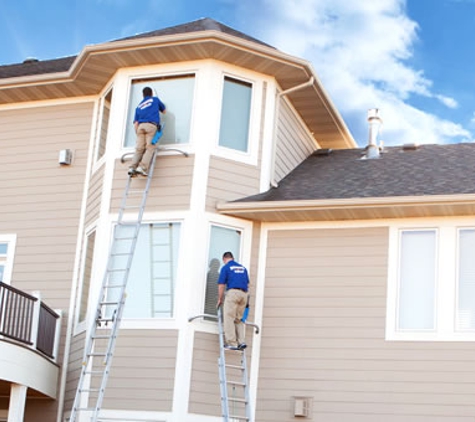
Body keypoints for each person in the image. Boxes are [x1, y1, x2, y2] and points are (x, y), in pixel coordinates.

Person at [128, 86, 166, 177]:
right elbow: (164, 111)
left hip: (140, 127)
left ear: (143, 95)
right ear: (151, 93)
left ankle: (132, 168)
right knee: (150, 147)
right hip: (151, 126)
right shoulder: (155, 100)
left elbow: (135, 123)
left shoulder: (138, 106)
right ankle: (142, 167)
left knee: (139, 149)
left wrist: (137, 134)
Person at [217, 251, 249, 351]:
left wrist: (220, 298)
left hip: (233, 293)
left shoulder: (226, 267)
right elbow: (247, 284)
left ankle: (232, 343)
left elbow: (221, 284)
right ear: (233, 258)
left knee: (229, 317)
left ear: (224, 259)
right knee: (239, 319)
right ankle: (241, 341)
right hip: (244, 294)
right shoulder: (243, 268)